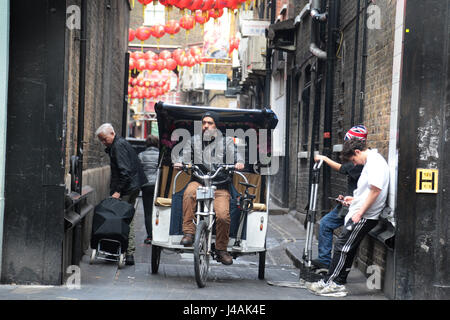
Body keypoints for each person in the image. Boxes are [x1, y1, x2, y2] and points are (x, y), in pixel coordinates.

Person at [308, 138, 389, 297]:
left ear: (357, 152)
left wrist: (360, 212)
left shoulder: (375, 163)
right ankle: (330, 282)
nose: (355, 163)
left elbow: (376, 190)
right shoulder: (371, 162)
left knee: (342, 248)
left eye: (353, 159)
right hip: (360, 212)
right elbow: (368, 191)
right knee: (342, 247)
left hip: (364, 215)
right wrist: (353, 200)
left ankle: (333, 283)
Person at [173, 111, 244, 265]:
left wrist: (238, 162)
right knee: (188, 193)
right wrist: (180, 162)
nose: (205, 126)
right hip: (199, 181)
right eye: (204, 122)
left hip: (220, 185)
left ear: (216, 125)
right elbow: (183, 155)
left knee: (224, 216)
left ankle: (221, 249)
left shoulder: (227, 142)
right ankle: (188, 233)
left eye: (209, 123)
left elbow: (237, 155)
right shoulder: (194, 141)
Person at [312, 125, 368, 271]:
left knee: (336, 233)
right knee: (328, 225)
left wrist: (324, 158)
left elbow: (343, 169)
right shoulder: (362, 159)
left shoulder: (360, 161)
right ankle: (328, 262)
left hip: (356, 206)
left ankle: (333, 268)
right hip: (350, 202)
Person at [96, 123, 148, 266]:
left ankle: (127, 252)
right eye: (101, 140)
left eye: (105, 139)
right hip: (132, 186)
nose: (103, 143)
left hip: (126, 188)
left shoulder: (118, 146)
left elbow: (124, 172)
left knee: (123, 219)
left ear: (112, 134)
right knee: (125, 219)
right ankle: (123, 251)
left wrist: (118, 191)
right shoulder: (120, 144)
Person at [138, 135, 160, 245]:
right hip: (157, 186)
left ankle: (150, 236)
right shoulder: (160, 155)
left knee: (147, 212)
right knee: (158, 211)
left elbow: (138, 171)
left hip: (146, 186)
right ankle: (158, 235)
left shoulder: (141, 155)